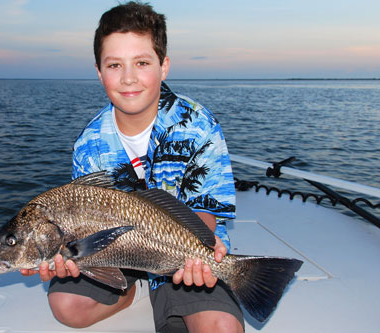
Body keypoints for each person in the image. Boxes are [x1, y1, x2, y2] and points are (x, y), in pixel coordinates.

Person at [21, 2, 244, 332]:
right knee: (66, 306)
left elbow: (205, 208)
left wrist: (201, 254)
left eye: (141, 62)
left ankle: (172, 289)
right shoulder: (88, 143)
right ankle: (125, 292)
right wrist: (63, 257)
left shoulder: (198, 125)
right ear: (99, 72)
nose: (128, 78)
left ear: (163, 66)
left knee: (221, 328)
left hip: (180, 252)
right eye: (114, 65)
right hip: (111, 253)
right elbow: (79, 221)